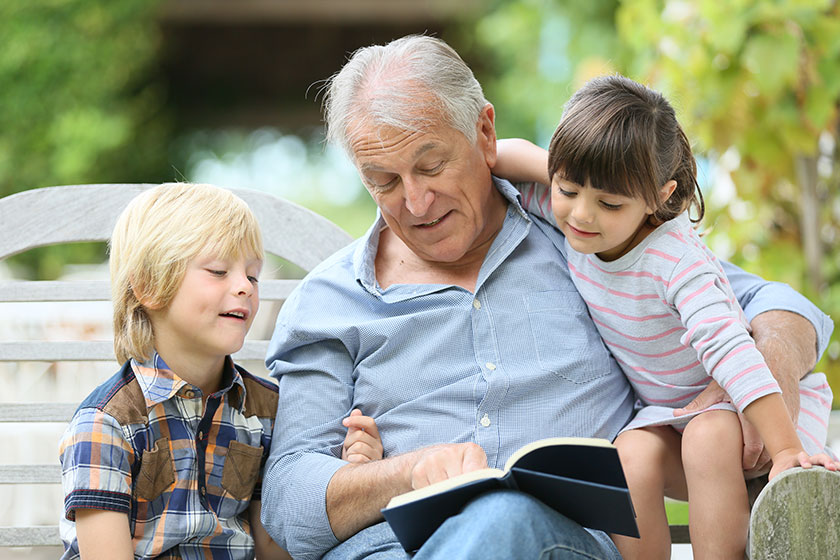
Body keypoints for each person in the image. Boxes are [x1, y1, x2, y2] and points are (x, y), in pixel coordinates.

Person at [261, 35, 834, 560]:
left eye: (431, 166)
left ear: (485, 135)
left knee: (506, 519)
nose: (414, 202)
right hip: (392, 550)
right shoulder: (331, 301)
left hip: (562, 545)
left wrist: (761, 394)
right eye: (382, 181)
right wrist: (408, 474)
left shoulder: (587, 238)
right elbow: (290, 504)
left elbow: (781, 308)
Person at [494, 75, 838, 559]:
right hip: (669, 416)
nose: (582, 216)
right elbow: (499, 161)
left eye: (609, 203)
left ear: (660, 195)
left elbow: (729, 349)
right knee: (629, 458)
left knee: (707, 436)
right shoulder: (570, 215)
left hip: (747, 414)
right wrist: (552, 170)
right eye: (567, 188)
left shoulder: (675, 261)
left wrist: (784, 450)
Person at [57, 183, 382, 559]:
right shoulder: (107, 424)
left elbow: (274, 549)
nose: (244, 287)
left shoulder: (264, 411)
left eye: (253, 275)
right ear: (148, 285)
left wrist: (353, 478)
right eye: (218, 271)